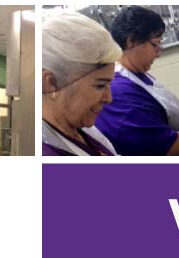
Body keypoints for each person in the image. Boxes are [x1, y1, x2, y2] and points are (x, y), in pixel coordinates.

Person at [96, 6, 179, 156]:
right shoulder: (121, 91)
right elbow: (164, 147)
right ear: (131, 40)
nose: (158, 53)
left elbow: (154, 116)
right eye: (155, 44)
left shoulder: (138, 75)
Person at [42, 10, 122, 156]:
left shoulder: (84, 130)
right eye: (100, 85)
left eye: (109, 85)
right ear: (52, 83)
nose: (109, 98)